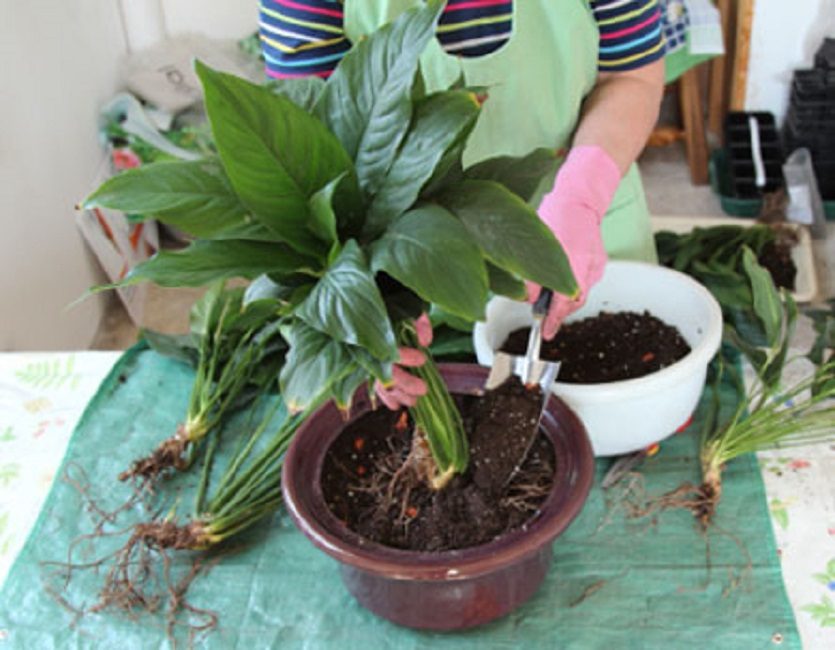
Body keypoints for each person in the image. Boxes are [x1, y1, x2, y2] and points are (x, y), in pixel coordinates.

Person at [258, 0, 666, 408]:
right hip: (409, 264)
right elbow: (308, 144)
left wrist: (581, 198)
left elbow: (631, 76)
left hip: (581, 226)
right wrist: (361, 311)